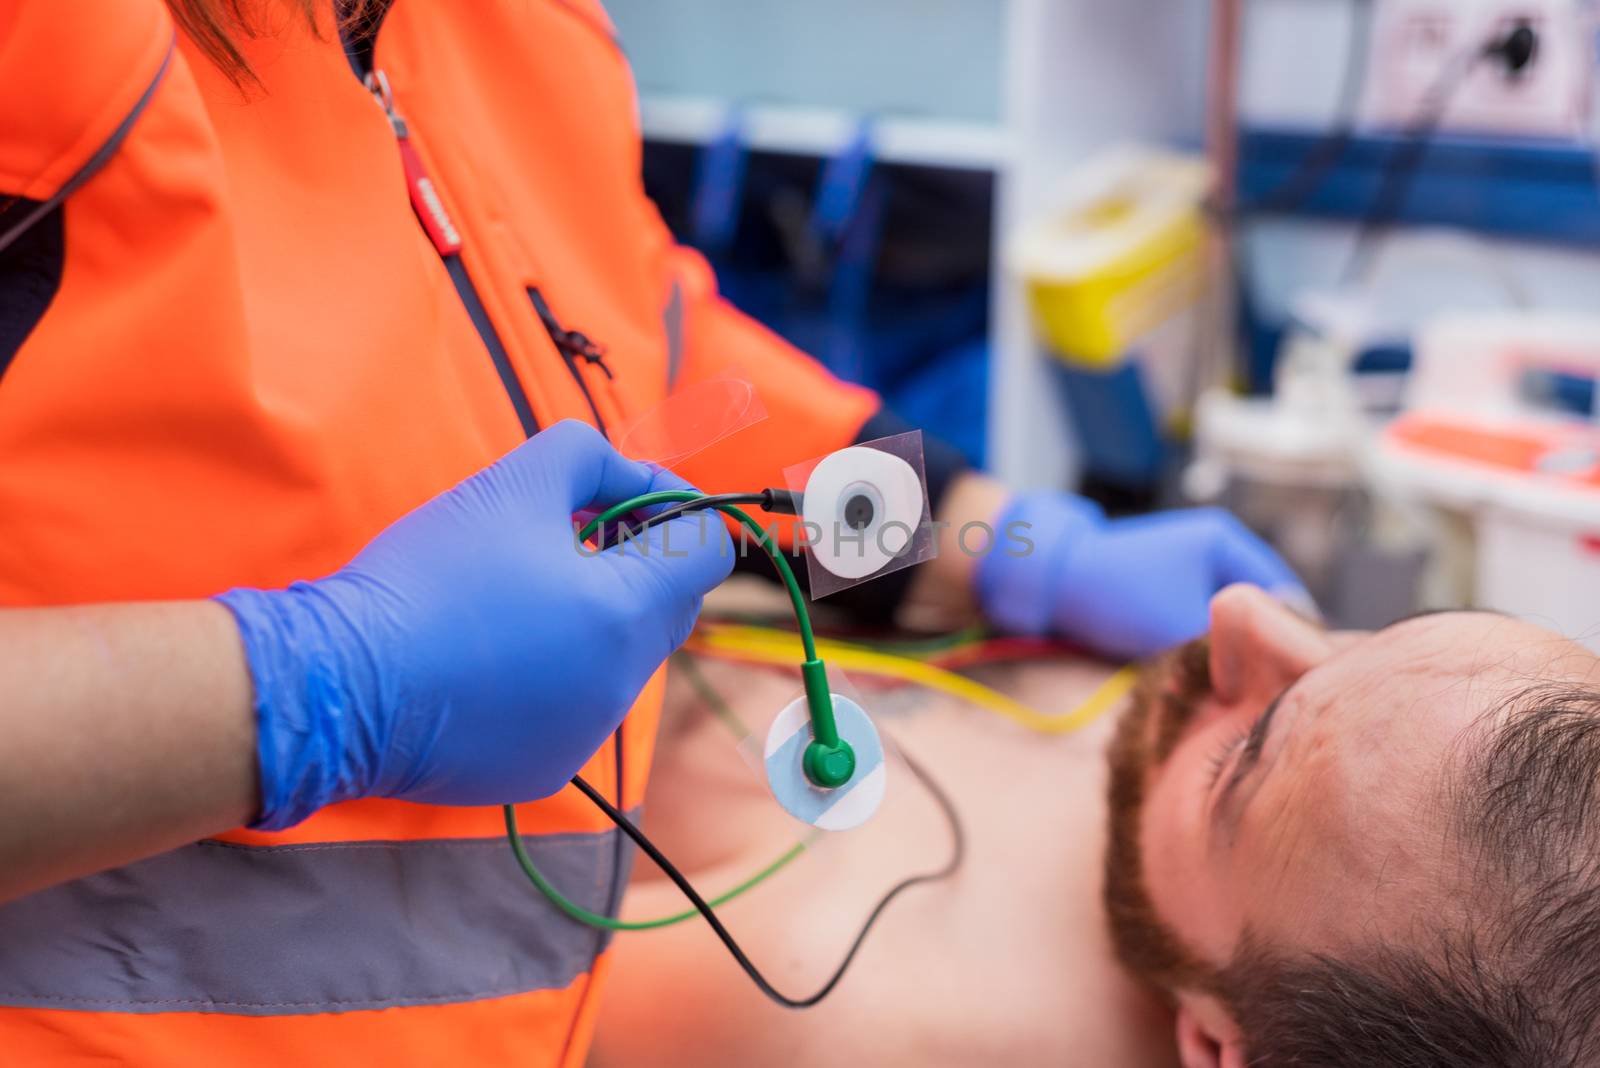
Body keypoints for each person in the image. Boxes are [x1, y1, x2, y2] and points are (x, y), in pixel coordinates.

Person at [0, 1, 1299, 1063]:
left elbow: (652, 361)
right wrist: (313, 690)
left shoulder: (513, 34)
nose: (1271, 644)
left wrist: (1001, 540)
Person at [589, 587, 1600, 1068]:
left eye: (1240, 760)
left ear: (1217, 1046)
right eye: (1375, 630)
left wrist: (416, 697)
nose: (1247, 613)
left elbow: (451, 958)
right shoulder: (1341, 815)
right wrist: (985, 527)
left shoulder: (820, 1001)